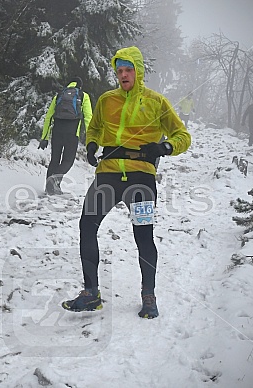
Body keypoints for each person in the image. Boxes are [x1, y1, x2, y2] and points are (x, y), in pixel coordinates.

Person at [61, 46, 191, 319]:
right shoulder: (107, 100)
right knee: (87, 224)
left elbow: (182, 135)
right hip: (107, 174)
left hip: (140, 178)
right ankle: (91, 293)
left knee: (143, 236)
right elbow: (94, 127)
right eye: (119, 70)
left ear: (138, 71)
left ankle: (149, 296)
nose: (123, 75)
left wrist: (166, 148)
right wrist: (92, 143)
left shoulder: (156, 102)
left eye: (128, 69)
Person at [39, 77, 93, 195]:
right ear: (80, 86)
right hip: (72, 133)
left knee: (54, 160)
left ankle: (50, 188)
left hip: (57, 131)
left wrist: (44, 137)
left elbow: (48, 117)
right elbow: (88, 118)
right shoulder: (83, 96)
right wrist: (91, 138)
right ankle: (54, 182)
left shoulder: (59, 95)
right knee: (68, 161)